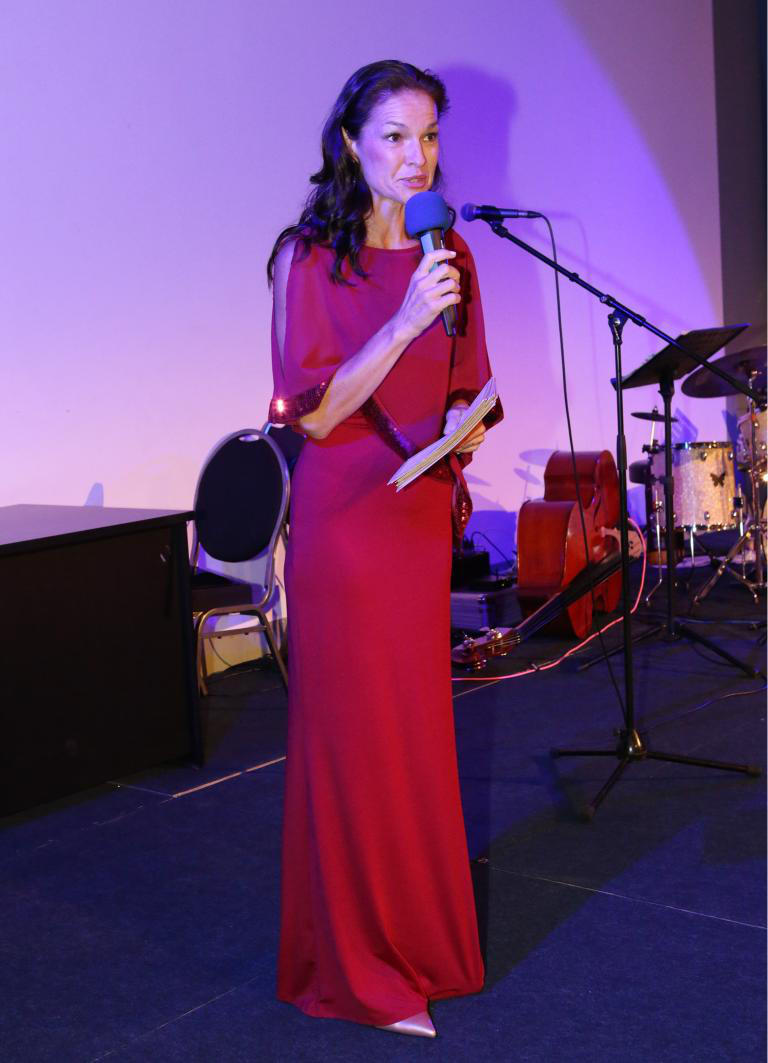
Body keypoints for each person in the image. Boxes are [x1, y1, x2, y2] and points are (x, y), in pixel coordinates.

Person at [267, 59, 502, 1039]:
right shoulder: (310, 259)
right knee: (358, 743)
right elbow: (317, 411)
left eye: (430, 136)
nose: (417, 157)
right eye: (396, 136)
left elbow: (469, 378)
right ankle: (362, 972)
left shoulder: (452, 251)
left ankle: (422, 945)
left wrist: (465, 426)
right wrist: (405, 321)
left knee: (413, 739)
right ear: (351, 144)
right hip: (347, 525)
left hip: (417, 517)